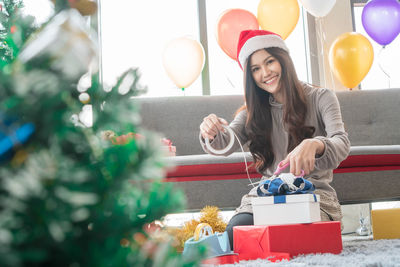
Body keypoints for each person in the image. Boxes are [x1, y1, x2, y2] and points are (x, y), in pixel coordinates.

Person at [199, 29, 350, 249]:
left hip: (312, 195)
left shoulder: (322, 97)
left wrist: (315, 143)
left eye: (270, 62)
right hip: (267, 198)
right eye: (256, 69)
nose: (265, 72)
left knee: (299, 239)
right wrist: (210, 131)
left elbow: (341, 142)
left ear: (283, 60)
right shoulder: (252, 112)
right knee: (235, 235)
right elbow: (225, 144)